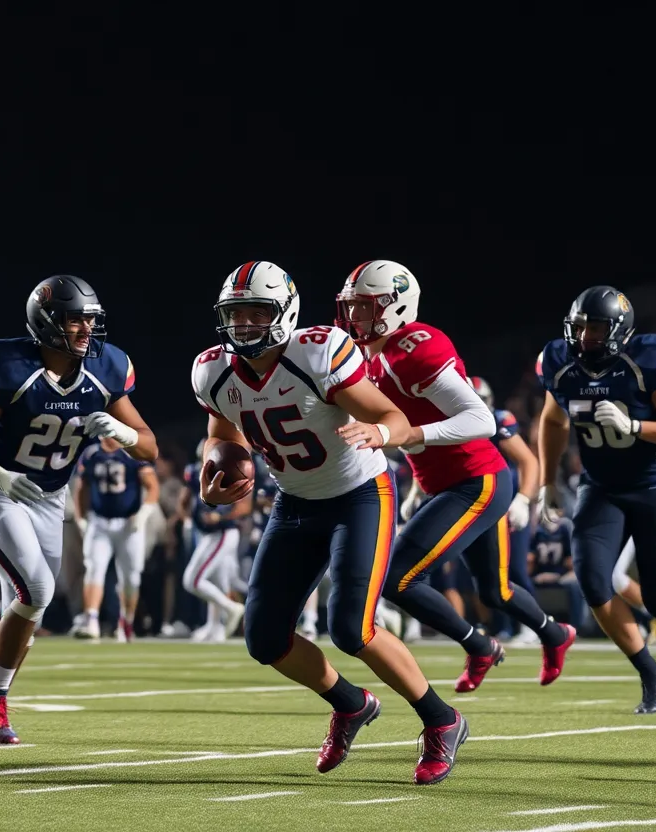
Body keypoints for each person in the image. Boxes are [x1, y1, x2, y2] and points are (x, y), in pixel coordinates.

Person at [192, 260, 466, 786]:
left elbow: (395, 417)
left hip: (359, 495)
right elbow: (221, 432)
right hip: (294, 501)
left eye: (257, 312)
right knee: (264, 639)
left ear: (285, 312)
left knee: (350, 627)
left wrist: (378, 435)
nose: (244, 324)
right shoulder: (212, 370)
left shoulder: (316, 353)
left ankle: (442, 719)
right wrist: (216, 465)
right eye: (236, 313)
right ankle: (350, 703)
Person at [335, 260, 573, 695]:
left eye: (365, 307)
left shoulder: (415, 346)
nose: (354, 318)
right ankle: (556, 635)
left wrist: (410, 436)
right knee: (496, 590)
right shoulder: (370, 357)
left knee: (399, 578)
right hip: (444, 483)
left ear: (397, 305)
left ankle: (479, 646)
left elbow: (480, 420)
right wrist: (414, 483)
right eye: (350, 307)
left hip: (477, 479)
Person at [0, 275, 157, 744]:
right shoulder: (9, 364)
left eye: (90, 319)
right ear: (46, 322)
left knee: (28, 607)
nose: (86, 329)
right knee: (36, 588)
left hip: (48, 496)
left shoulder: (106, 368)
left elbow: (149, 448)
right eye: (75, 319)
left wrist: (121, 435)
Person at [537, 285, 656, 715]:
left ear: (619, 330)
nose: (586, 336)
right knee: (593, 581)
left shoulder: (648, 360)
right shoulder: (558, 363)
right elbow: (553, 420)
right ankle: (650, 670)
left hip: (654, 482)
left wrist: (634, 426)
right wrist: (548, 480)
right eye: (581, 327)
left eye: (596, 327)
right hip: (600, 486)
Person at [470, 376, 544, 643]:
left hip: (507, 504)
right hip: (478, 504)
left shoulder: (499, 420)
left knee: (515, 569)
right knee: (485, 573)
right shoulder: (451, 422)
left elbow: (528, 461)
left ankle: (533, 626)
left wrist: (524, 499)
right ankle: (501, 626)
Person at [72, 436, 160, 641]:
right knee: (94, 570)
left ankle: (126, 621)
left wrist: (143, 513)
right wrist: (80, 518)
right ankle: (91, 621)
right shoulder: (91, 453)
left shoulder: (132, 452)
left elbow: (152, 486)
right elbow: (81, 488)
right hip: (99, 521)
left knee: (130, 578)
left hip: (128, 524)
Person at [179, 440, 249, 642]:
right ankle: (214, 627)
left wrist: (221, 517)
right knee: (217, 581)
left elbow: (244, 506)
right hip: (207, 533)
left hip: (223, 532)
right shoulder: (193, 471)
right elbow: (184, 500)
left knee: (192, 580)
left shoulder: (231, 470)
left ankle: (232, 608)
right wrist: (188, 519)